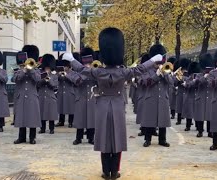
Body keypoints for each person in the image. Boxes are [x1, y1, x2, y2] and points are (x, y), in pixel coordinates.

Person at [61, 27, 162, 180]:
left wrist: (71, 59)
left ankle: (105, 171)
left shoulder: (98, 72)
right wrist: (152, 60)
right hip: (118, 107)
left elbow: (81, 69)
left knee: (103, 139)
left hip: (101, 106)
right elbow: (140, 69)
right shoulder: (123, 72)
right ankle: (114, 172)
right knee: (117, 139)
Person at [141, 44, 172, 148]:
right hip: (150, 97)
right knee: (150, 120)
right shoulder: (147, 70)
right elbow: (146, 82)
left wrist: (165, 73)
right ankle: (147, 139)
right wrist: (157, 75)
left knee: (162, 120)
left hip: (163, 97)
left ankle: (162, 140)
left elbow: (171, 82)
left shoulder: (166, 68)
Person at [66, 48, 97, 145]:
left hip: (92, 97)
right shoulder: (78, 71)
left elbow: (100, 80)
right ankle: (78, 138)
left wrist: (91, 70)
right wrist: (86, 71)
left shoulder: (96, 70)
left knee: (92, 119)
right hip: (81, 97)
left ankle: (91, 138)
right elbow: (77, 81)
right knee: (80, 119)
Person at [12, 45, 41, 144]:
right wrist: (24, 70)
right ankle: (21, 137)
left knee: (32, 118)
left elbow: (37, 79)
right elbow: (15, 79)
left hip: (32, 97)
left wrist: (30, 69)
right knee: (22, 118)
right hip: (21, 97)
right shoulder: (19, 70)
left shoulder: (36, 70)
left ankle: (32, 138)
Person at [194, 53, 214, 138]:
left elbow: (213, 84)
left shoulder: (212, 75)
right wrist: (204, 77)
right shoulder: (198, 75)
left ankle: (210, 132)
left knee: (210, 116)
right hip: (201, 97)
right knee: (200, 116)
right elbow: (196, 84)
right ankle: (200, 131)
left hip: (210, 97)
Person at [37, 54, 58, 134]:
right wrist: (43, 80)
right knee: (42, 113)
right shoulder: (40, 75)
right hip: (41, 96)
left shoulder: (54, 76)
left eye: (48, 68)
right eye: (46, 68)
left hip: (50, 96)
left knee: (51, 114)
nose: (47, 69)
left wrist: (48, 80)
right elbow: (37, 85)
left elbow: (55, 86)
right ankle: (42, 128)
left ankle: (51, 129)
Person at [55, 54, 75, 128]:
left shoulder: (73, 73)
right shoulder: (60, 72)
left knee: (71, 108)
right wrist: (58, 75)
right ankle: (61, 121)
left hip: (70, 92)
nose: (64, 68)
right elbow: (56, 81)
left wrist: (66, 75)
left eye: (65, 66)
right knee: (61, 107)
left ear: (69, 66)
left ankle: (71, 122)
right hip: (61, 92)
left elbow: (73, 81)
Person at [183, 62, 201, 132]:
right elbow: (187, 85)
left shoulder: (199, 77)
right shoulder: (188, 78)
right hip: (190, 96)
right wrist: (193, 81)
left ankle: (198, 126)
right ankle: (188, 126)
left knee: (197, 113)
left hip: (197, 97)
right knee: (189, 113)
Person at [135, 53, 150, 136]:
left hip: (150, 94)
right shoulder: (141, 70)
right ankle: (143, 129)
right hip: (143, 93)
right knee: (144, 113)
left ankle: (152, 129)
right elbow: (140, 81)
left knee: (151, 113)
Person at [174, 58, 190, 125]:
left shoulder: (189, 73)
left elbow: (191, 80)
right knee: (179, 107)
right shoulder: (178, 73)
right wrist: (178, 78)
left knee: (188, 108)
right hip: (180, 91)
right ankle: (179, 120)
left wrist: (183, 79)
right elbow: (174, 83)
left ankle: (189, 122)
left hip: (187, 92)